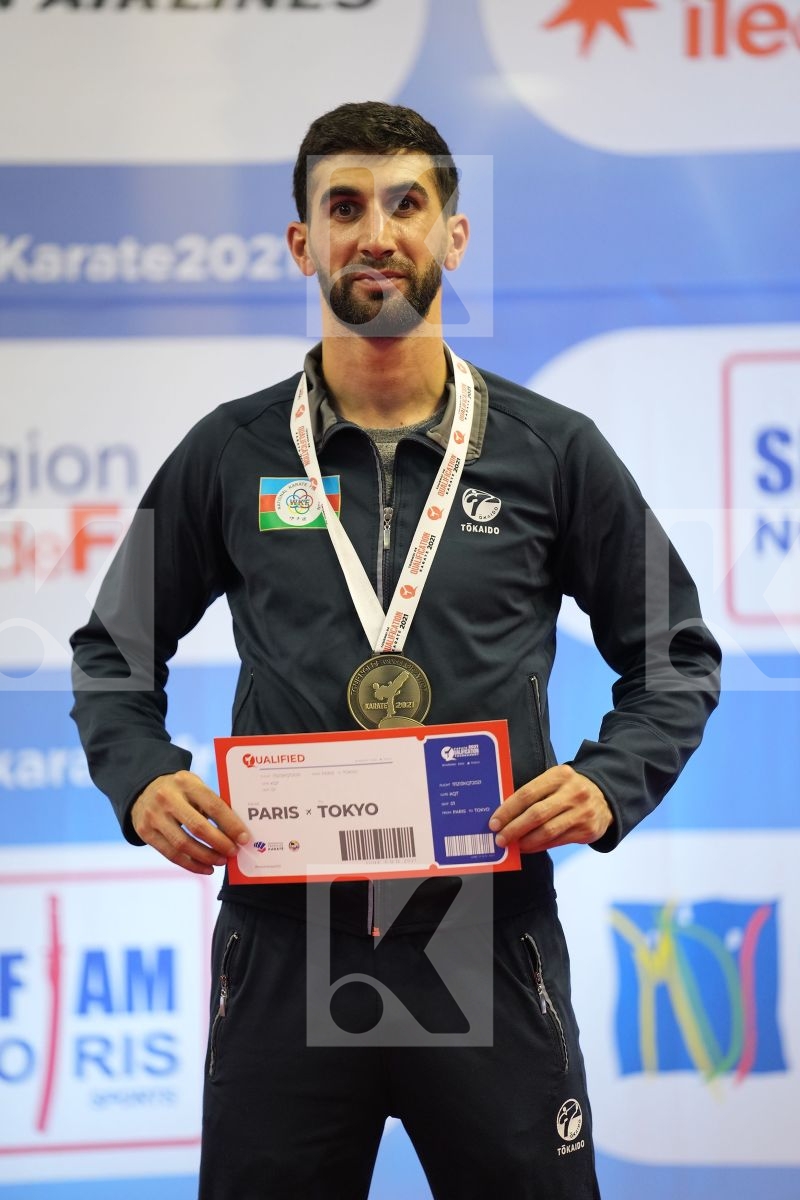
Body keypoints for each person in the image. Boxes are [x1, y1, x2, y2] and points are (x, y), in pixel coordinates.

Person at [70, 101, 721, 1200]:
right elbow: (108, 653)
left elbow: (674, 655)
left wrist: (607, 786)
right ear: (302, 245)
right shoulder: (229, 453)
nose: (376, 232)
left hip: (483, 931)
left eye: (405, 203)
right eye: (344, 206)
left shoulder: (552, 451)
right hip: (285, 938)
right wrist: (140, 781)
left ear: (451, 237)